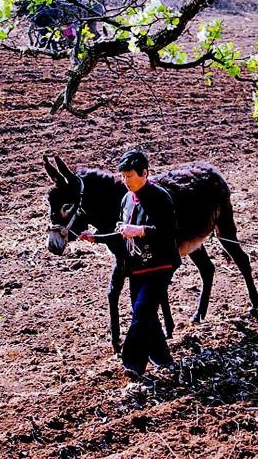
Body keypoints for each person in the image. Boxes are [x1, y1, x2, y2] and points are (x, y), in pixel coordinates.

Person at [83, 150, 181, 379]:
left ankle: (133, 363)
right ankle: (162, 357)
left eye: (130, 176)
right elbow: (121, 232)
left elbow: (169, 232)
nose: (126, 181)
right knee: (143, 310)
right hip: (137, 265)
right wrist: (95, 238)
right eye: (123, 177)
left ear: (144, 173)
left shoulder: (160, 197)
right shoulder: (126, 199)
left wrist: (140, 231)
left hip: (161, 264)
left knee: (142, 311)